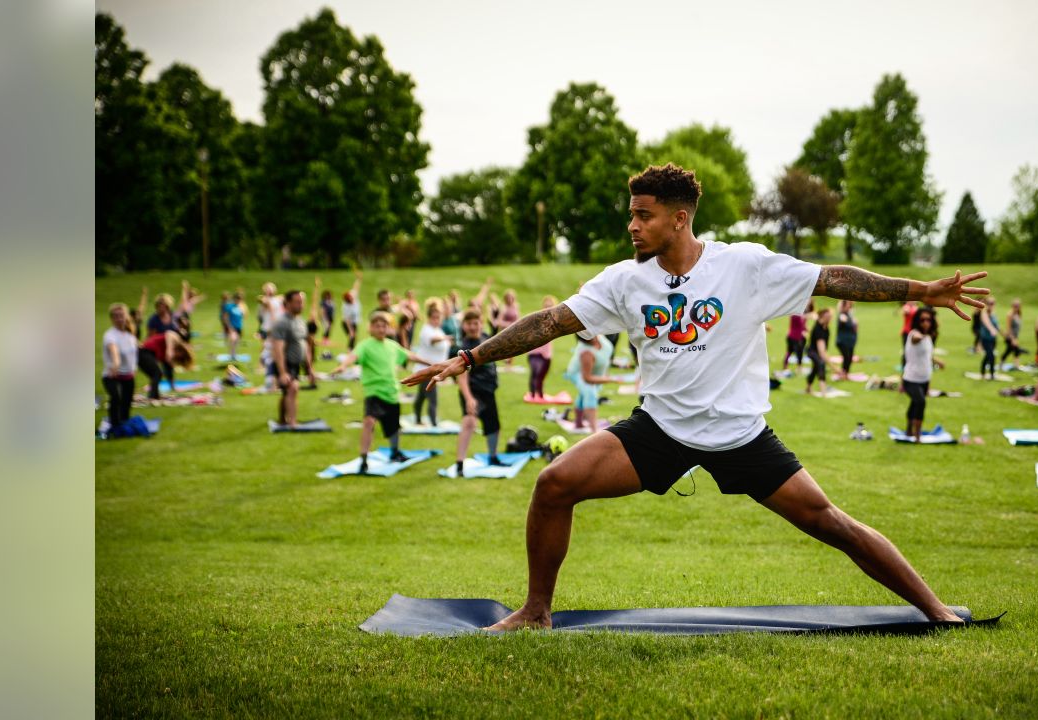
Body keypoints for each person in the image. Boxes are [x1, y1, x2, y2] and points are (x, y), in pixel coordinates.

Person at [403, 163, 988, 629]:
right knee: (554, 484)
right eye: (630, 215)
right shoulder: (624, 280)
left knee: (832, 523)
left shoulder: (746, 267)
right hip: (658, 431)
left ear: (679, 219)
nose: (632, 226)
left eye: (643, 215)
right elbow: (552, 321)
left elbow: (833, 278)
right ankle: (535, 612)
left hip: (740, 434)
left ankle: (935, 609)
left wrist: (922, 289)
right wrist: (469, 356)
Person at [330, 311, 432, 473]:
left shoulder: (392, 346)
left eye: (384, 326)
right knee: (369, 422)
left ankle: (395, 452)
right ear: (370, 328)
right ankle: (364, 459)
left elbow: (410, 356)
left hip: (391, 392)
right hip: (374, 392)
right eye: (377, 326)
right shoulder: (365, 345)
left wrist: (431, 364)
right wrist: (343, 366)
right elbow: (353, 356)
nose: (381, 329)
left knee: (393, 428)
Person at [450, 309, 507, 476]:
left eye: (476, 323)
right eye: (470, 324)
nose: (474, 327)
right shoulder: (463, 348)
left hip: (488, 391)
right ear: (464, 326)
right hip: (473, 392)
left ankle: (493, 457)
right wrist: (468, 398)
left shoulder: (486, 338)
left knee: (494, 426)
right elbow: (462, 377)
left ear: (481, 323)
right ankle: (459, 464)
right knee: (469, 423)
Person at [268, 290, 313, 428]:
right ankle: (293, 422)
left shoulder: (300, 321)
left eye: (302, 302)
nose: (301, 305)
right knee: (293, 389)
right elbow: (278, 349)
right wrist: (282, 372)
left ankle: (282, 419)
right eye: (297, 302)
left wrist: (309, 369)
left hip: (296, 364)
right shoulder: (282, 323)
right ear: (287, 304)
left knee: (286, 392)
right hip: (284, 363)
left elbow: (305, 345)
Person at [563, 333, 617, 434]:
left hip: (594, 373)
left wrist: (605, 375)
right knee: (589, 393)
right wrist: (608, 379)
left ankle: (578, 423)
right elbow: (587, 378)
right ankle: (594, 430)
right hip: (578, 373)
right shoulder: (586, 352)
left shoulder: (600, 336)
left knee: (584, 394)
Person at [902, 307, 943, 440]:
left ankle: (909, 429)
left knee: (915, 402)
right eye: (922, 320)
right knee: (920, 402)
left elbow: (927, 355)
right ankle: (917, 435)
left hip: (925, 378)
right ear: (917, 321)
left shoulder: (929, 337)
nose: (926, 322)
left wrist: (938, 361)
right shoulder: (913, 334)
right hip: (911, 379)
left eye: (928, 320)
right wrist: (922, 335)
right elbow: (916, 338)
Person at [411, 299, 451, 426]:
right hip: (426, 370)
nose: (437, 320)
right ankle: (434, 424)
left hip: (432, 370)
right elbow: (433, 340)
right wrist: (445, 338)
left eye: (438, 318)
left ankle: (418, 419)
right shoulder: (426, 330)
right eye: (434, 318)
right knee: (432, 398)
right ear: (429, 318)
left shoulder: (438, 330)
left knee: (422, 397)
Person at [102, 302, 138, 428]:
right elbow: (114, 352)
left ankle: (123, 425)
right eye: (116, 316)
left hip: (128, 376)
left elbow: (132, 355)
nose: (119, 318)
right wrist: (115, 365)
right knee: (116, 398)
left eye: (121, 315)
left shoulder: (129, 336)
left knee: (127, 403)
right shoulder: (110, 335)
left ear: (126, 316)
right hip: (112, 375)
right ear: (112, 318)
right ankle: (114, 426)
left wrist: (134, 369)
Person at [137, 325, 194, 402]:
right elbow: (169, 333)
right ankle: (152, 397)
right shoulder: (177, 341)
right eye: (180, 356)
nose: (177, 356)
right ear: (181, 351)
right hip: (144, 352)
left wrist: (173, 386)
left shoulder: (167, 355)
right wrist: (169, 350)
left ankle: (155, 396)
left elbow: (169, 370)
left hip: (145, 354)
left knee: (156, 374)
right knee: (157, 373)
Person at [527, 295, 558, 399]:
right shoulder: (537, 318)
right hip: (534, 352)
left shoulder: (555, 320)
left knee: (541, 376)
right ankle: (532, 394)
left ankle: (540, 395)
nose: (548, 307)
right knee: (535, 372)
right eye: (546, 305)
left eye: (550, 306)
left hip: (546, 354)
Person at [805, 307, 832, 395]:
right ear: (823, 317)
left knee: (815, 368)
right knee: (821, 363)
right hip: (812, 351)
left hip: (817, 352)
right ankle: (823, 391)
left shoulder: (826, 328)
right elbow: (821, 352)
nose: (830, 319)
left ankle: (808, 388)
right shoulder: (818, 329)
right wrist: (834, 368)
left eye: (830, 317)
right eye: (828, 317)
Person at [782, 300, 812, 370]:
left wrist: (807, 330)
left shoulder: (798, 314)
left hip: (792, 336)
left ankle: (787, 366)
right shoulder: (796, 315)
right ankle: (799, 367)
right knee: (798, 352)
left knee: (790, 351)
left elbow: (802, 325)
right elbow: (800, 324)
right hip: (795, 338)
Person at [833, 300, 858, 381]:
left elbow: (855, 327)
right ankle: (843, 374)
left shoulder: (849, 314)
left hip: (850, 341)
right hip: (843, 341)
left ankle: (846, 373)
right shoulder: (842, 315)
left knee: (849, 358)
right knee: (846, 357)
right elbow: (846, 322)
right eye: (847, 304)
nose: (849, 306)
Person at [977, 297, 1000, 379]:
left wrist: (1004, 334)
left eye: (993, 304)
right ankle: (992, 375)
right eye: (990, 304)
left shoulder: (993, 314)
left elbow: (997, 326)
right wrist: (992, 329)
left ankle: (983, 372)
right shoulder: (984, 313)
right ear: (986, 304)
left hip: (993, 339)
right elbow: (987, 323)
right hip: (985, 339)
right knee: (991, 356)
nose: (991, 305)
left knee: (988, 356)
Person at [221, 290, 247, 360]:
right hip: (231, 326)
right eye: (237, 299)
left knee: (237, 341)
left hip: (239, 326)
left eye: (240, 299)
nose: (238, 300)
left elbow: (244, 316)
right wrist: (229, 327)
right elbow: (225, 317)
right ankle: (231, 354)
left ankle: (235, 354)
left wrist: (243, 309)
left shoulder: (241, 307)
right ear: (234, 299)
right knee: (233, 339)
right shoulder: (230, 306)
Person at [999, 298, 1024, 367]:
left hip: (1015, 336)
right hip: (1010, 336)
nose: (1017, 307)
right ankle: (1016, 365)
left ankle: (1013, 364)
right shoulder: (1010, 315)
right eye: (1015, 306)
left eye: (1018, 306)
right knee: (1016, 350)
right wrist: (1013, 339)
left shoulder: (1018, 314)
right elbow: (1008, 328)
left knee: (1009, 350)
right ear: (1012, 306)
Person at [341, 271, 362, 350]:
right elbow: (347, 320)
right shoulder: (346, 307)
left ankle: (352, 350)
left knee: (354, 337)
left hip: (354, 322)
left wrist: (358, 279)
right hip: (347, 323)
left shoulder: (354, 297)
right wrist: (350, 330)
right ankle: (349, 351)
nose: (352, 299)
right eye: (350, 299)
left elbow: (355, 287)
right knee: (352, 336)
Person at [898, 300, 918, 371]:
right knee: (906, 350)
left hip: (914, 333)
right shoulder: (906, 307)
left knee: (914, 351)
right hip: (906, 332)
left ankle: (912, 366)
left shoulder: (916, 308)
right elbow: (905, 311)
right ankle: (904, 367)